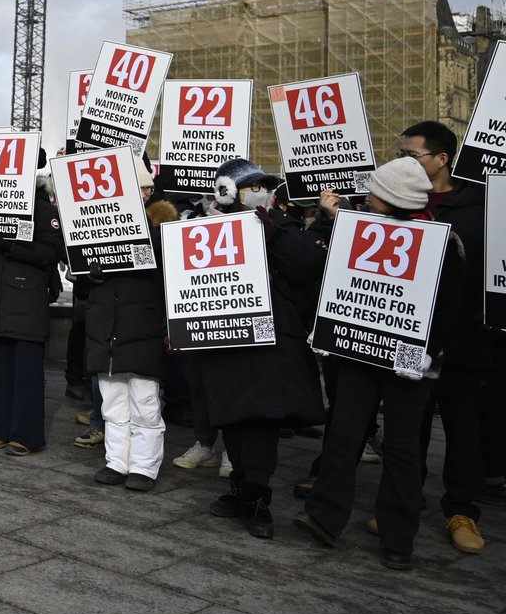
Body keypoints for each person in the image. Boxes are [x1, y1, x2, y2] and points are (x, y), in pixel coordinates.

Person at [295, 155, 465, 569]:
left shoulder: (443, 242)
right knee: (343, 433)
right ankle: (324, 515)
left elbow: (449, 310)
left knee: (404, 447)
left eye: (374, 193)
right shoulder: (358, 230)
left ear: (390, 199)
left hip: (409, 361)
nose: (367, 198)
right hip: (358, 352)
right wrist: (329, 327)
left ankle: (398, 536)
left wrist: (425, 354)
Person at [194, 158, 327, 539]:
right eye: (254, 186)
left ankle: (257, 498)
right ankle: (238, 487)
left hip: (270, 341)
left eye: (265, 185)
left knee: (262, 420)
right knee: (232, 417)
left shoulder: (279, 225)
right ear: (229, 191)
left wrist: (273, 234)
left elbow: (308, 267)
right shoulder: (204, 229)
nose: (262, 191)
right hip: (223, 337)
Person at [402, 122, 490, 553]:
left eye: (413, 155)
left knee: (462, 426)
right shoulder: (400, 199)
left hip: (464, 337)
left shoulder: (481, 203)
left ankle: (462, 511)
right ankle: (402, 502)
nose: (405, 162)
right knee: (409, 425)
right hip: (409, 334)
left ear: (441, 159)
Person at [86, 163, 177, 489]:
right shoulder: (95, 230)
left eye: (143, 189)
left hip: (142, 329)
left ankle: (144, 467)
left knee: (145, 402)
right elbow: (85, 285)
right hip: (106, 331)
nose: (139, 195)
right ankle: (117, 462)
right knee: (112, 402)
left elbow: (169, 275)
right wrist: (90, 272)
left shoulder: (162, 232)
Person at [0, 177, 65, 452]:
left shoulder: (42, 209)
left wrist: (11, 247)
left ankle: (26, 435)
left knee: (26, 375)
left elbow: (52, 252)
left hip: (25, 301)